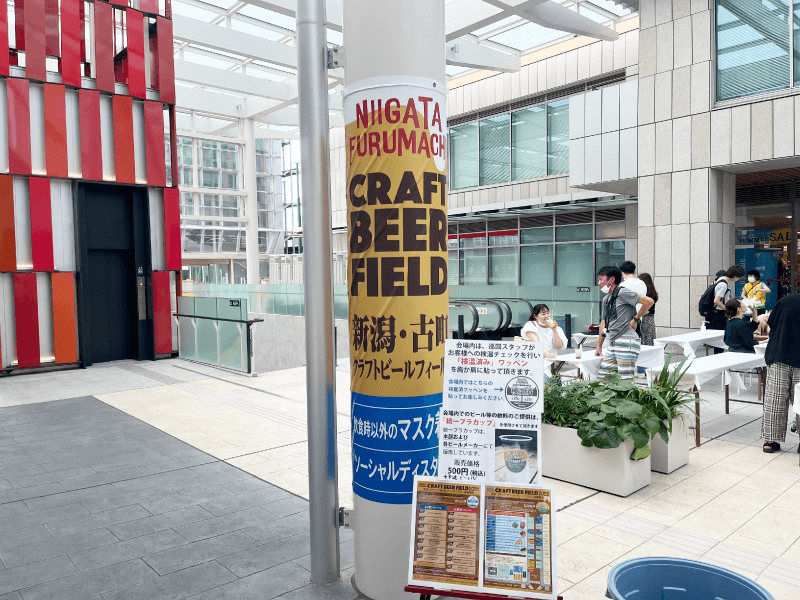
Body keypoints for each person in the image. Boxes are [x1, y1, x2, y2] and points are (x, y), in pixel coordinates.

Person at [595, 266, 655, 381]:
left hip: (627, 338)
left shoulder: (622, 292)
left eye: (601, 279)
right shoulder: (606, 299)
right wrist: (599, 346)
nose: (599, 283)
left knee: (625, 381)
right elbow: (603, 323)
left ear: (611, 279)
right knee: (604, 379)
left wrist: (635, 319)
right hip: (613, 340)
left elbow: (649, 301)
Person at [762, 294, 800, 453]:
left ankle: (770, 442)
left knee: (774, 399)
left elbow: (770, 324)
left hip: (778, 355)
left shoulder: (784, 301)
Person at [709, 266, 745, 353]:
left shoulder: (721, 280)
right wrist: (727, 309)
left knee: (720, 339)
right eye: (739, 277)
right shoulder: (723, 284)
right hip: (719, 314)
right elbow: (716, 301)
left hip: (718, 314)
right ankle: (718, 357)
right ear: (735, 276)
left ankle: (718, 355)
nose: (738, 279)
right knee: (720, 340)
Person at [638, 273, 658, 346]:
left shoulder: (644, 293)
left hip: (644, 319)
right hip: (651, 320)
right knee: (649, 340)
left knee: (643, 340)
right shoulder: (653, 292)